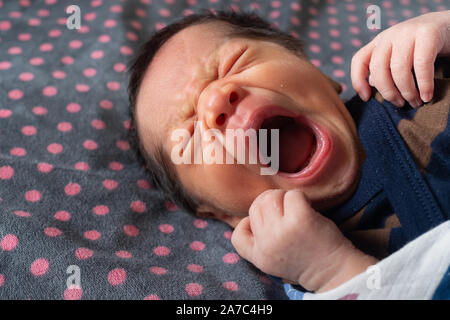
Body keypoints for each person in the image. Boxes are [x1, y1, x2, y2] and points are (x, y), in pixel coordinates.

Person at [128, 9, 450, 294]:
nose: (215, 102)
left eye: (233, 63)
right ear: (220, 212)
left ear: (317, 72)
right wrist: (333, 272)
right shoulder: (303, 273)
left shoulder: (409, 82)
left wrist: (442, 29)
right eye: (192, 133)